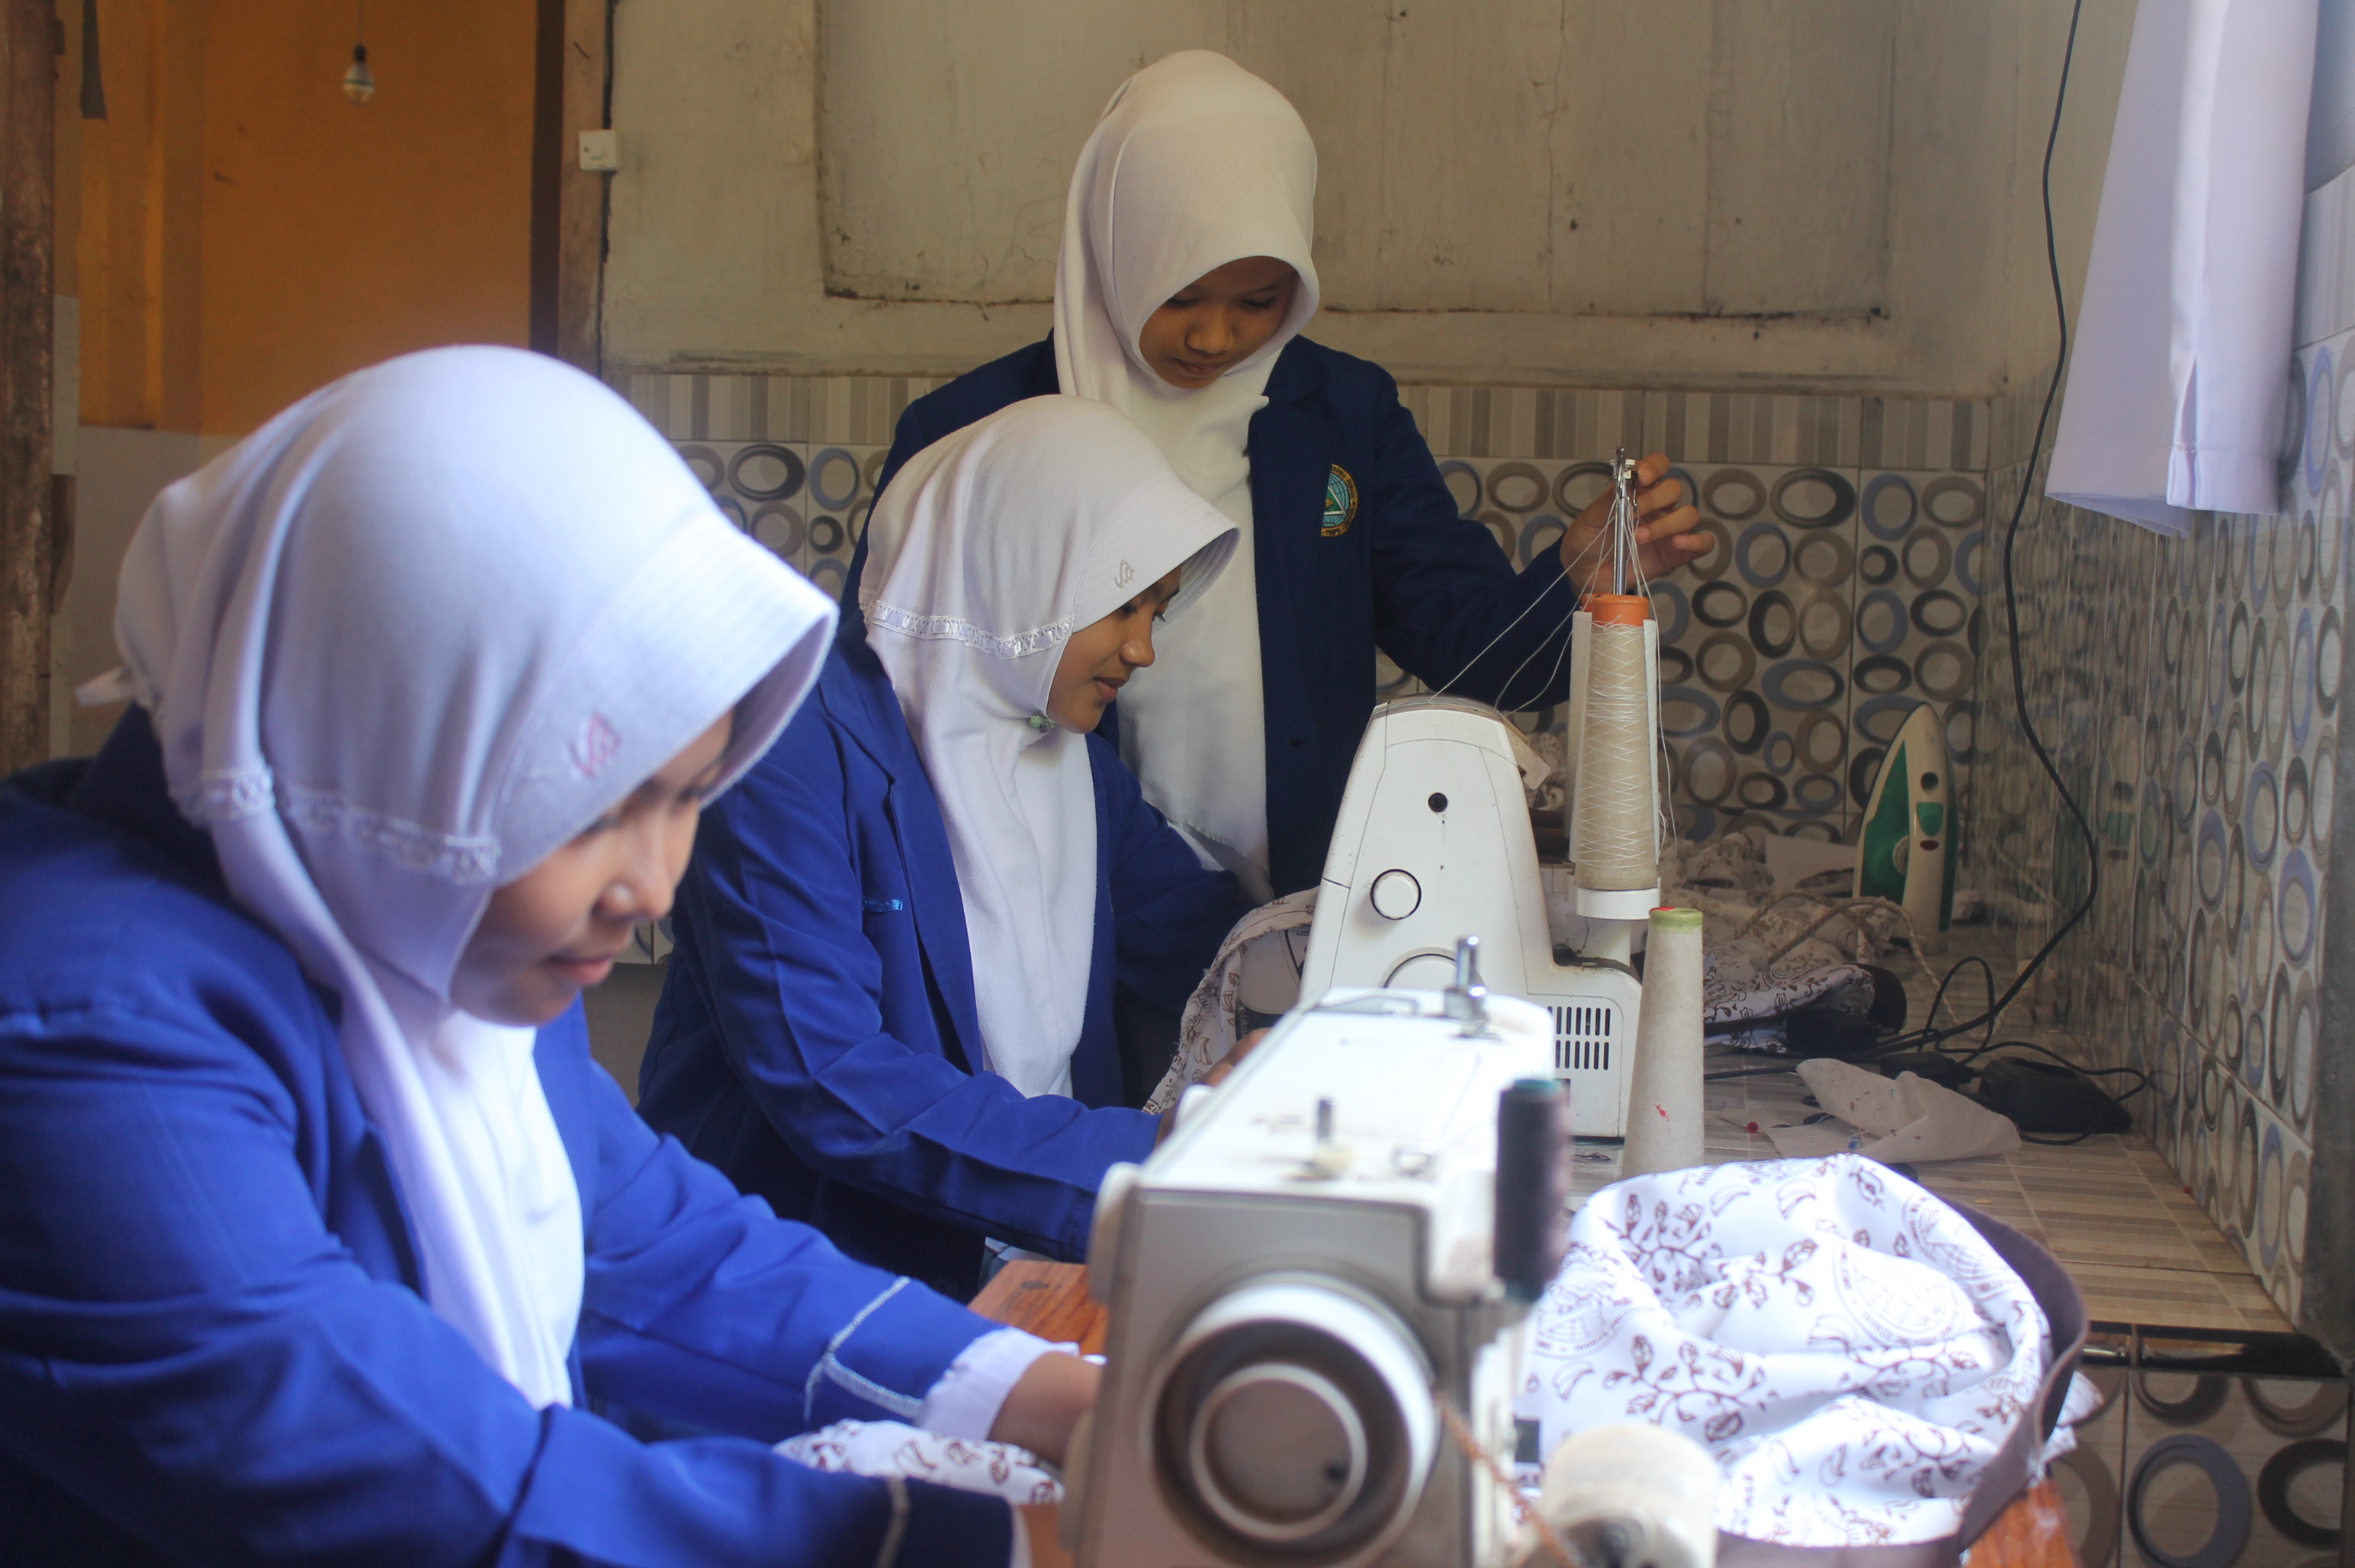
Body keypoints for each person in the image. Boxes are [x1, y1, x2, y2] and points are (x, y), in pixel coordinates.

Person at [0, 348, 1091, 1568]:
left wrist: (1054, 1397)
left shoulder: (427, 912)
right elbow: (397, 1478)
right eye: (588, 814)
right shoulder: (81, 1036)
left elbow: (645, 1242)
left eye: (690, 795)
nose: (653, 889)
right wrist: (1024, 1545)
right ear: (377, 739)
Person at [866, 50, 1705, 904]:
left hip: (1293, 902)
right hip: (1037, 896)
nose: (1214, 338)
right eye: (1180, 296)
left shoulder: (1342, 414)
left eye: (1257, 301)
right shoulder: (972, 435)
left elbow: (1479, 656)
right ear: (1112, 250)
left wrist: (1571, 583)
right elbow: (891, 695)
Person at [640, 396, 1248, 1302]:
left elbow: (1199, 934)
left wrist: (1335, 973)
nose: (1142, 650)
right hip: (808, 1269)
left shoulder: (1067, 757)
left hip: (1017, 1247)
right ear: (1018, 572)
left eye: (1156, 612)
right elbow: (831, 1077)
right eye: (1122, 606)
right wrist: (1147, 1154)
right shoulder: (790, 750)